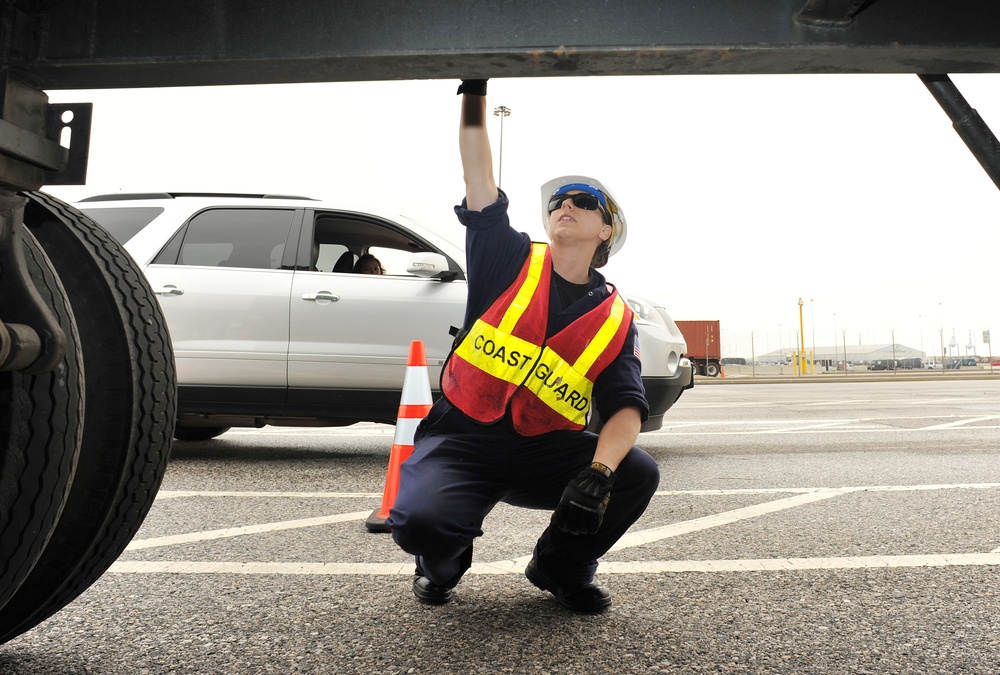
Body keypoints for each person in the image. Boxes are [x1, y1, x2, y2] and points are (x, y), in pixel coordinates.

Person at [385, 79, 659, 613]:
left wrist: (598, 475)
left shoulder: (615, 317)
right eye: (559, 201)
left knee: (637, 472)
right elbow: (477, 173)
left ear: (607, 230)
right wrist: (474, 91)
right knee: (421, 520)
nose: (567, 206)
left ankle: (561, 566)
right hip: (463, 439)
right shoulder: (507, 258)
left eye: (585, 203)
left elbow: (627, 408)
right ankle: (443, 562)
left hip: (545, 451)